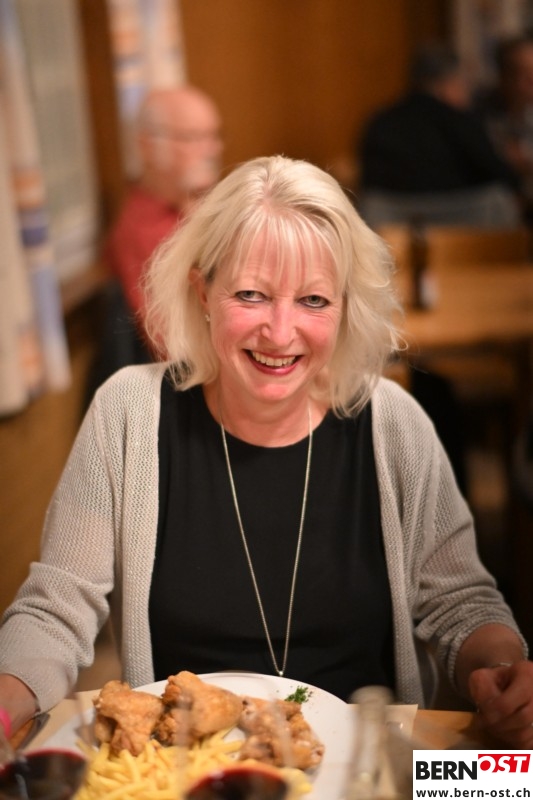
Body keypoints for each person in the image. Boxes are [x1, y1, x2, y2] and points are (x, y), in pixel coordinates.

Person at [1, 155, 532, 747]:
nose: (280, 333)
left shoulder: (395, 424)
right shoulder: (126, 413)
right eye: (251, 295)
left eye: (314, 301)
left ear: (346, 305)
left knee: (499, 784)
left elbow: (462, 603)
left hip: (370, 769)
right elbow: (57, 607)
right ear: (203, 292)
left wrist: (503, 672)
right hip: (187, 770)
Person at [86, 85, 224, 397]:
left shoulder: (198, 207)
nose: (212, 150)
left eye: (215, 136)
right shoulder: (142, 229)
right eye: (194, 138)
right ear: (148, 147)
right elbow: (176, 346)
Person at [357, 43, 521, 227]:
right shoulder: (461, 121)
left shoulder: (380, 122)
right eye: (463, 83)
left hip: (396, 233)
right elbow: (501, 176)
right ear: (447, 83)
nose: (467, 92)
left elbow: (369, 183)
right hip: (467, 232)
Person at [479, 33, 533, 219]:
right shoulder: (480, 117)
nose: (530, 81)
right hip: (496, 215)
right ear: (502, 76)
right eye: (521, 73)